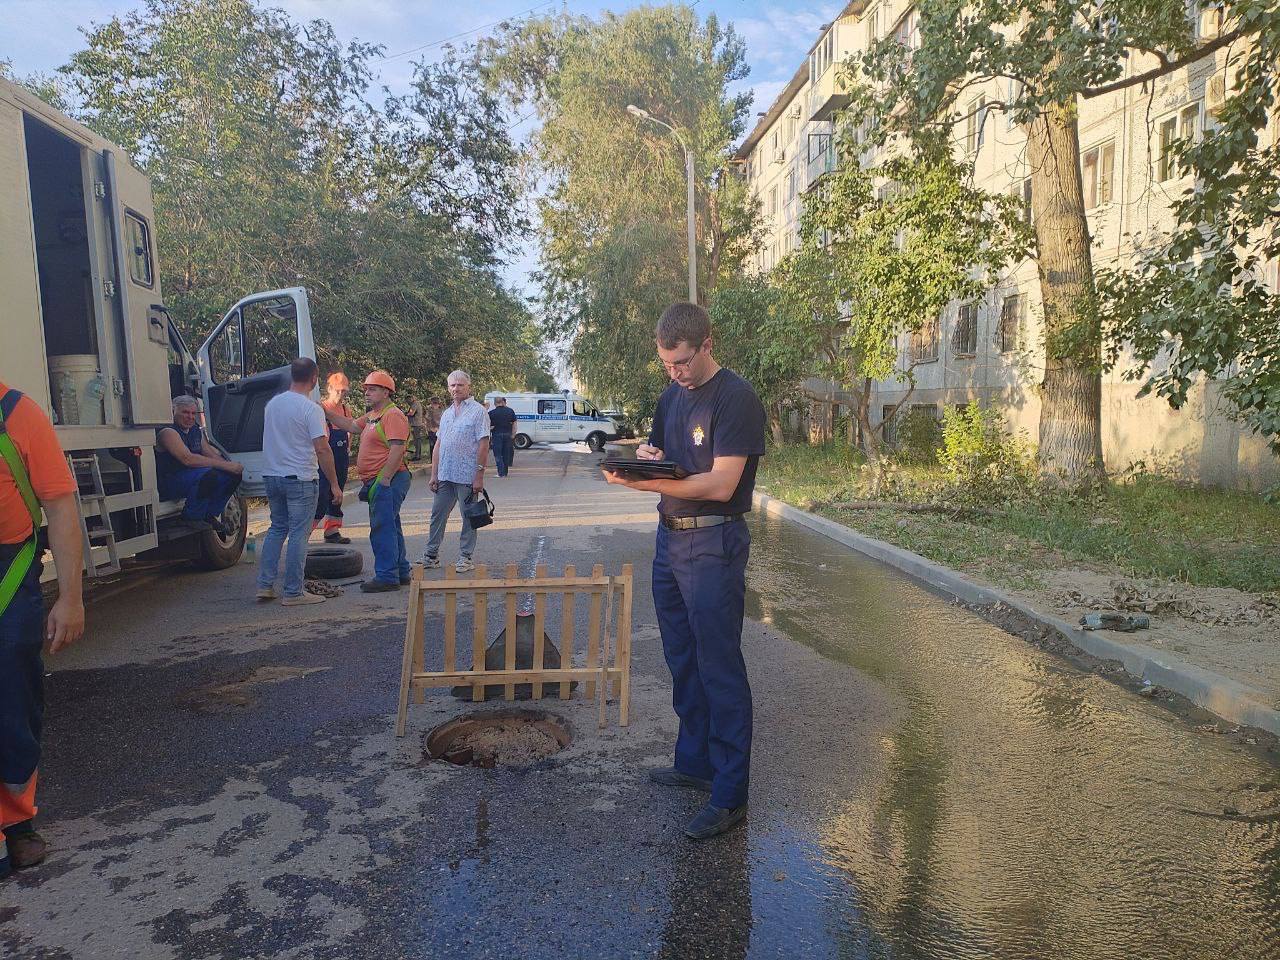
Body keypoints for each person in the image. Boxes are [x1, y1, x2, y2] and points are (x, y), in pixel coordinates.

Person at [602, 303, 766, 840]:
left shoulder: (736, 398)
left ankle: (730, 793)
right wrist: (646, 457)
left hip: (713, 541)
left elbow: (720, 484)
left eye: (684, 361)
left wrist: (644, 484)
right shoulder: (670, 396)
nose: (676, 372)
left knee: (718, 663)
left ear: (707, 344)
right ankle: (694, 761)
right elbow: (667, 456)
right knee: (680, 656)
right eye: (668, 363)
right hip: (669, 541)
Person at [0, 380, 85, 879]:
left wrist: (71, 598)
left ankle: (17, 823)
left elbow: (59, 506)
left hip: (9, 572)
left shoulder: (17, 413)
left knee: (13, 696)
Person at [257, 358, 342, 606]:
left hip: (272, 476)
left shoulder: (273, 404)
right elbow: (322, 448)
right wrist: (335, 484)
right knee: (298, 534)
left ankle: (264, 585)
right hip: (300, 478)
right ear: (314, 379)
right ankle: (293, 592)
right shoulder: (310, 409)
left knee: (277, 528)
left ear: (292, 375)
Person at [325, 371, 412, 592]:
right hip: (382, 481)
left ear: (386, 392)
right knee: (391, 526)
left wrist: (384, 480)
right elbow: (352, 426)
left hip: (388, 480)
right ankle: (401, 572)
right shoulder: (374, 415)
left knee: (382, 528)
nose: (366, 393)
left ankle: (386, 576)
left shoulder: (392, 415)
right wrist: (325, 411)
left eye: (372, 389)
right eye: (366, 389)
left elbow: (397, 448)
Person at [422, 370, 489, 574]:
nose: (455, 389)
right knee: (437, 515)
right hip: (445, 475)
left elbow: (484, 444)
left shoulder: (478, 411)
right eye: (452, 385)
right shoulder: (448, 413)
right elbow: (439, 445)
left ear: (468, 387)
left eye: (460, 385)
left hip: (467, 475)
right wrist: (434, 474)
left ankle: (465, 557)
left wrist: (479, 475)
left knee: (469, 517)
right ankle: (431, 555)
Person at [155, 395, 243, 528]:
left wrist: (232, 468)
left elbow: (210, 454)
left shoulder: (195, 430)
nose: (190, 417)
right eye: (185, 412)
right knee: (210, 474)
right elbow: (188, 459)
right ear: (173, 411)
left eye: (193, 413)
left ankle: (209, 514)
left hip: (193, 477)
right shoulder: (167, 431)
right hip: (170, 481)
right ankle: (191, 517)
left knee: (232, 475)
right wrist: (225, 465)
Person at [314, 373, 353, 544]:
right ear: (329, 389)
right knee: (321, 494)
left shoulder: (345, 410)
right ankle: (305, 532)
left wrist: (349, 446)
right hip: (323, 457)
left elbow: (351, 429)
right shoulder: (320, 408)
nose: (341, 394)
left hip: (341, 456)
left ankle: (332, 530)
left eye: (344, 391)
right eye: (338, 391)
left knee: (337, 494)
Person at [488, 396, 517, 478]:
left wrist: (490, 430)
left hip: (496, 435)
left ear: (495, 403)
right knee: (506, 454)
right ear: (502, 402)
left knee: (498, 454)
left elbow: (487, 425)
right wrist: (513, 434)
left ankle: (500, 473)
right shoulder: (510, 411)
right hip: (508, 435)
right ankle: (505, 473)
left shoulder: (491, 413)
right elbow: (514, 423)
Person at [406, 395, 427, 462]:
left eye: (408, 400)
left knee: (417, 440)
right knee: (417, 440)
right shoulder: (416, 403)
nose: (407, 402)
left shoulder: (414, 404)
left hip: (416, 424)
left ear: (411, 399)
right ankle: (417, 455)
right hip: (417, 424)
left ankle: (417, 456)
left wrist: (404, 414)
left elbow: (411, 413)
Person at [424, 398, 442, 463]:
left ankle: (435, 460)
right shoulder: (431, 410)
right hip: (434, 430)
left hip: (437, 430)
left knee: (435, 445)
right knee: (434, 445)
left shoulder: (438, 409)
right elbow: (427, 420)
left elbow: (427, 419)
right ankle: (434, 460)